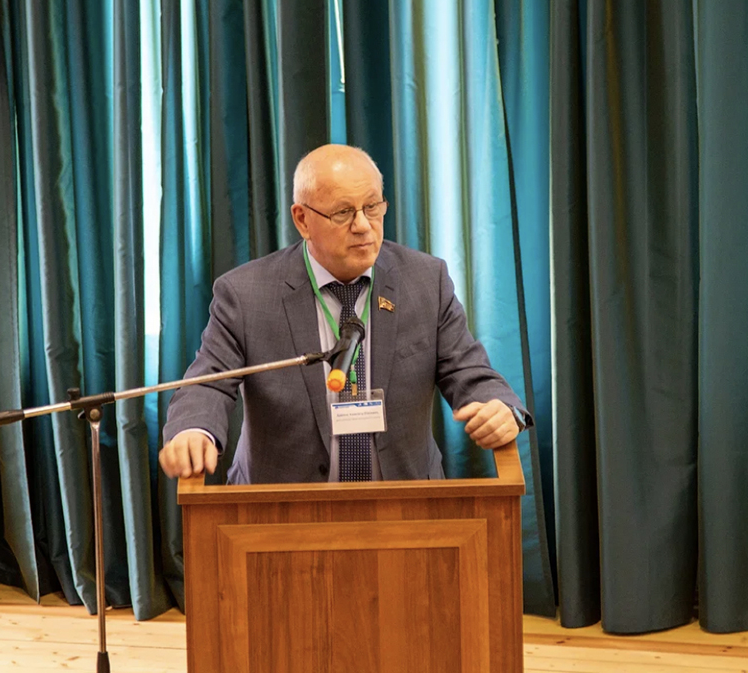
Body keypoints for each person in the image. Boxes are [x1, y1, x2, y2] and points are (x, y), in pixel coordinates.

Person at [159, 144, 531, 483]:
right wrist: (194, 431)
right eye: (343, 212)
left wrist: (502, 408)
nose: (363, 226)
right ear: (302, 220)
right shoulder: (246, 294)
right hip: (281, 511)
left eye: (372, 207)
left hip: (406, 508)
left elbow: (468, 371)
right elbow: (208, 382)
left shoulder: (425, 281)